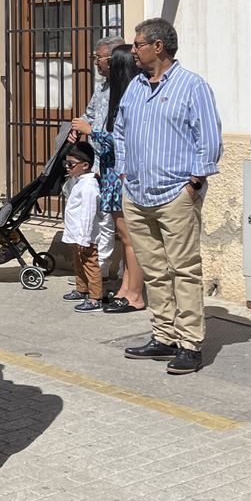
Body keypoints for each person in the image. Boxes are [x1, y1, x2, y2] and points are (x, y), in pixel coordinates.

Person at [115, 17, 223, 376]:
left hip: (175, 194)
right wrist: (124, 171)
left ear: (157, 46)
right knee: (155, 271)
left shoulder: (193, 87)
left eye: (138, 44)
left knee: (184, 270)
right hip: (137, 193)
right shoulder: (135, 87)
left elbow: (209, 141)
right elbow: (119, 130)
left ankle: (190, 344)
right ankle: (163, 335)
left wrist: (192, 184)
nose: (133, 50)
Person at [81, 44, 146, 314]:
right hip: (109, 172)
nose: (99, 65)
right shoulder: (112, 93)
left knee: (130, 238)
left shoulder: (129, 99)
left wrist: (91, 131)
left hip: (120, 174)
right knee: (123, 235)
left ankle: (134, 293)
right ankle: (124, 287)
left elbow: (122, 143)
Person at [62, 142, 105, 311]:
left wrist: (85, 237)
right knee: (78, 263)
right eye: (66, 164)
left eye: (71, 164)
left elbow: (88, 213)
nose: (67, 168)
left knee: (90, 264)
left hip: (85, 236)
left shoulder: (88, 186)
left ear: (85, 165)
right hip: (75, 234)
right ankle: (82, 289)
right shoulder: (79, 182)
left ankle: (95, 298)